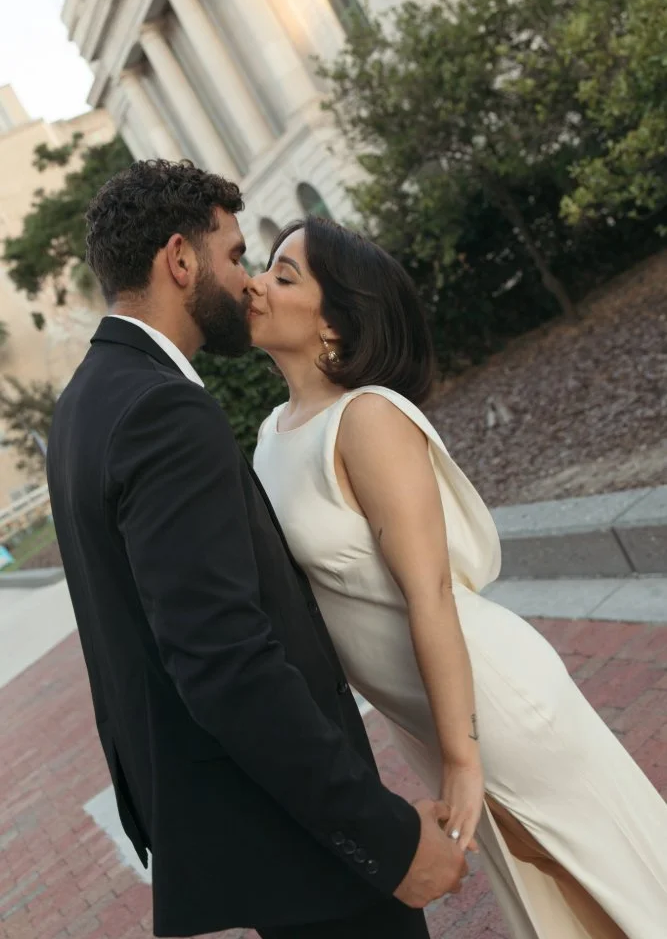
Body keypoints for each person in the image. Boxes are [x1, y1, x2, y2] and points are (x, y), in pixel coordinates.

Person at [46, 161, 468, 939]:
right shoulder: (162, 410)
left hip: (235, 822)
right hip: (293, 834)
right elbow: (223, 658)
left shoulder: (82, 406)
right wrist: (383, 838)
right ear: (179, 260)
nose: (244, 281)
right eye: (234, 254)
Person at [251, 215, 667, 939]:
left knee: (620, 880)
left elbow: (430, 592)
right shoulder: (269, 435)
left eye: (284, 276)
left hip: (487, 707)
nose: (256, 285)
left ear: (337, 326)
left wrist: (460, 757)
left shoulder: (369, 418)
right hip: (429, 718)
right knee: (561, 904)